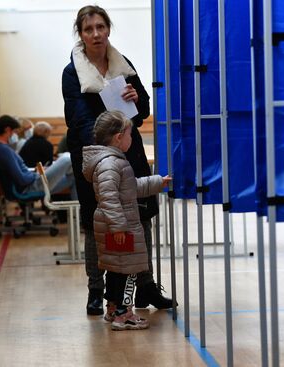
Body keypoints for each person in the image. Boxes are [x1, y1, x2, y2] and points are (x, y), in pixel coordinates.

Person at [62, 5, 174, 316]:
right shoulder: (72, 73)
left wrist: (136, 99)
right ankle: (96, 291)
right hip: (96, 158)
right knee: (99, 223)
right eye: (89, 29)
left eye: (100, 27)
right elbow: (79, 120)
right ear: (81, 34)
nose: (96, 34)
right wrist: (113, 131)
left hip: (129, 151)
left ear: (108, 29)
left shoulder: (123, 64)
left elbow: (145, 110)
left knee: (142, 216)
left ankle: (146, 286)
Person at [82, 111, 171, 330]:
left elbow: (130, 188)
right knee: (126, 270)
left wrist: (159, 182)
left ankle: (113, 309)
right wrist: (119, 227)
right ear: (118, 137)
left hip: (114, 224)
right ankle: (124, 315)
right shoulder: (110, 163)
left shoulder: (112, 161)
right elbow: (109, 197)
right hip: (119, 226)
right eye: (131, 134)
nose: (133, 139)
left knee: (116, 268)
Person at [0, 115, 76, 200]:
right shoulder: (3, 150)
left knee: (75, 176)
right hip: (31, 186)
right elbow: (22, 179)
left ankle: (80, 212)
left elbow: (20, 173)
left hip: (32, 183)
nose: (15, 135)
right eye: (14, 132)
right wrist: (36, 174)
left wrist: (35, 171)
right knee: (67, 159)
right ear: (7, 130)